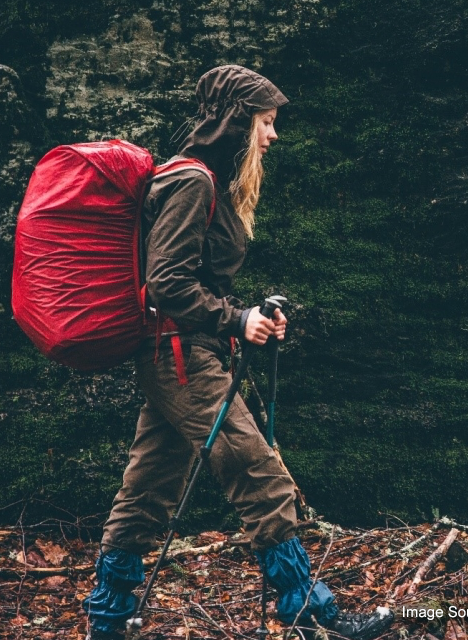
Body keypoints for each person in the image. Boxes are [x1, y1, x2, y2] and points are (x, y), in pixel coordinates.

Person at [82, 65, 394, 640]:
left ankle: (106, 617)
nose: (272, 136)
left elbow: (192, 282)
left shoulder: (206, 182)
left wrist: (246, 317)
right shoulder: (192, 182)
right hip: (179, 360)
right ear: (235, 122)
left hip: (179, 355)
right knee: (258, 472)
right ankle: (306, 606)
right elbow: (168, 282)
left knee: (147, 488)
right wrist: (236, 317)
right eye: (266, 123)